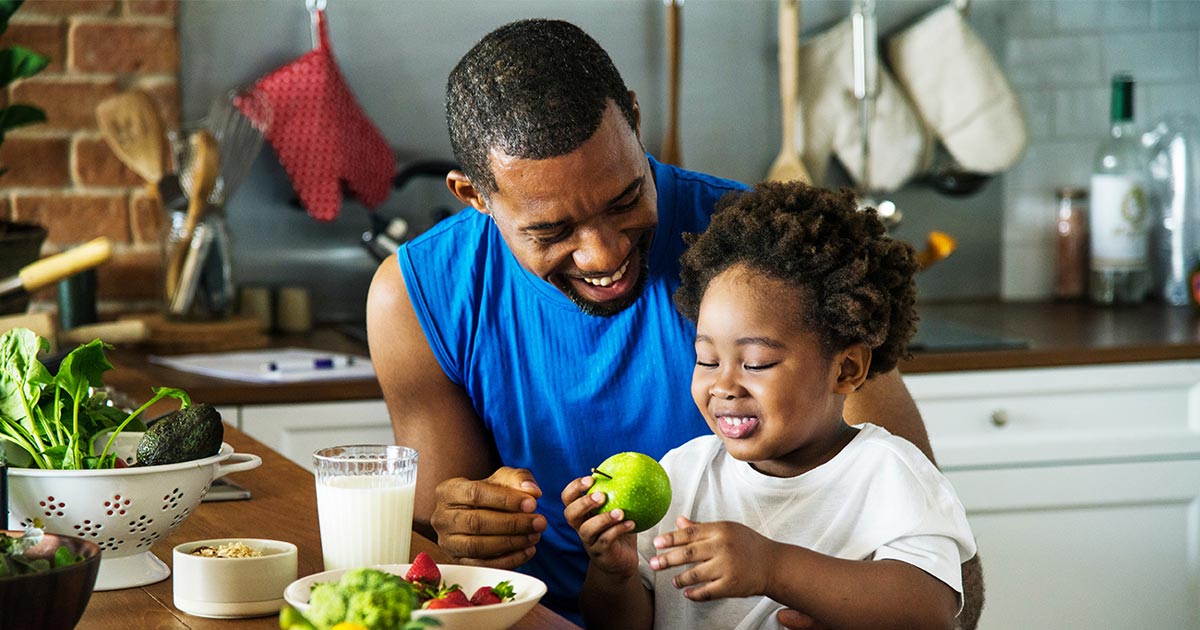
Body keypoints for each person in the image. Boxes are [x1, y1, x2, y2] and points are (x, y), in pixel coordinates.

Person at [365, 17, 983, 628]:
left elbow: (949, 587)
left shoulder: (768, 263)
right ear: (473, 194)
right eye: (551, 231)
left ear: (635, 118)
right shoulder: (417, 297)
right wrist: (473, 527)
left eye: (626, 198)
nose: (603, 255)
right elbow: (440, 567)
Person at [561, 181, 977, 630]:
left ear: (846, 370)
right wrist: (613, 573)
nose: (723, 384)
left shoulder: (888, 473)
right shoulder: (684, 474)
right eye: (707, 359)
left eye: (756, 363)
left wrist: (772, 567)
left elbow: (931, 613)